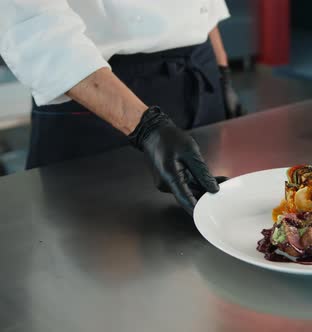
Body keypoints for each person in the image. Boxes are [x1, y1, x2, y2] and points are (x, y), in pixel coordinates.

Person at [0, 0, 245, 214]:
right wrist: (146, 127)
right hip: (94, 90)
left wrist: (222, 71)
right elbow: (33, 24)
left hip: (199, 71)